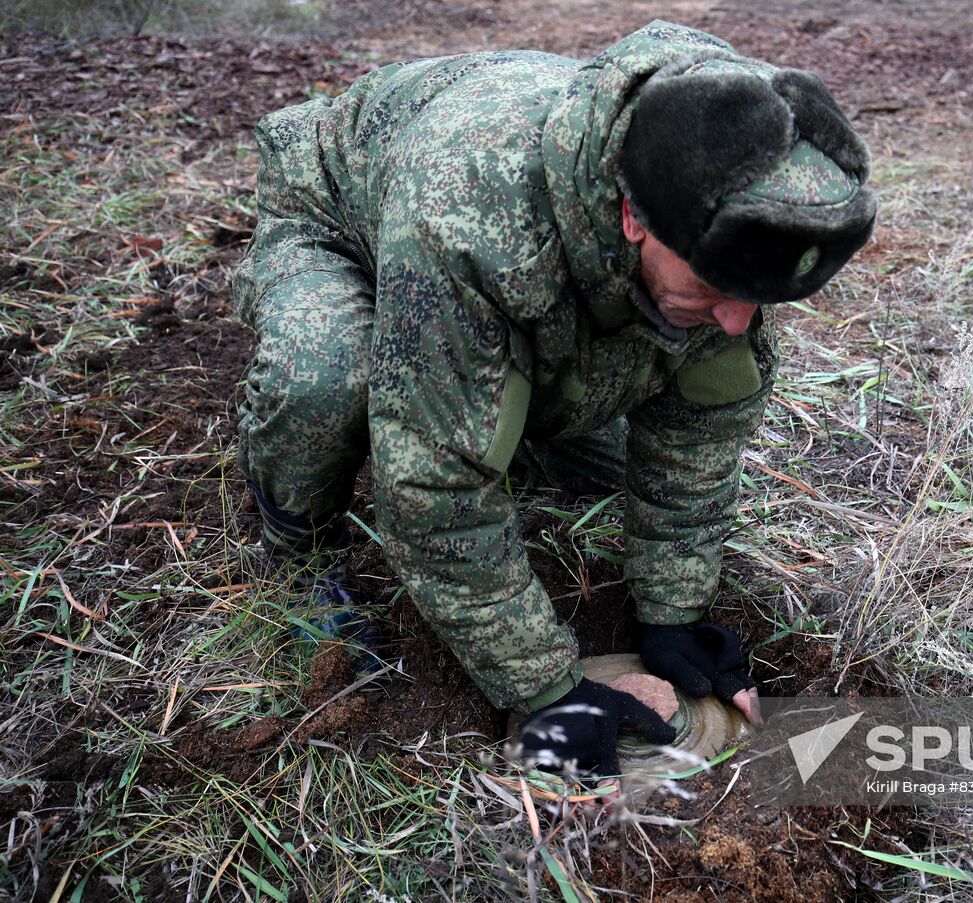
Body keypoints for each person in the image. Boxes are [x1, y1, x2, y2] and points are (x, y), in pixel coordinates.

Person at [232, 20, 877, 779]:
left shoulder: (718, 187)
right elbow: (432, 489)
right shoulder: (472, 217)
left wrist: (674, 611)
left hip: (532, 239)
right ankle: (298, 549)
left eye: (758, 296)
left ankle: (518, 412)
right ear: (636, 215)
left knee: (596, 458)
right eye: (716, 287)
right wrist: (544, 685)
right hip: (341, 213)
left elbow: (696, 435)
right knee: (328, 375)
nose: (739, 319)